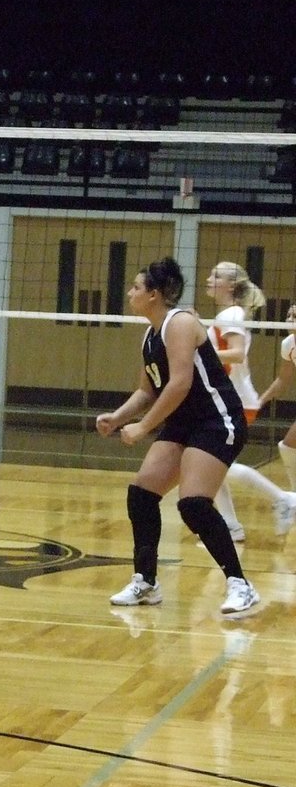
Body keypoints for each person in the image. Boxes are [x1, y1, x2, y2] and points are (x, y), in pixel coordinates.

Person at [96, 257, 260, 615]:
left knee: (194, 504)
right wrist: (118, 417)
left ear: (154, 294)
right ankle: (146, 583)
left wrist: (142, 428)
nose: (130, 293)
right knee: (141, 495)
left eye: (136, 287)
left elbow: (181, 383)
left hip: (217, 420)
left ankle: (240, 585)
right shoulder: (150, 334)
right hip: (185, 423)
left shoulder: (181, 322)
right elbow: (148, 391)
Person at [203, 261, 265, 542]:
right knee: (210, 463)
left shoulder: (231, 313)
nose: (208, 279)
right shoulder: (229, 313)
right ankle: (231, 526)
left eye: (216, 276)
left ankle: (283, 499)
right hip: (233, 397)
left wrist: (200, 351)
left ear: (230, 285)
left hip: (236, 400)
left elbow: (237, 354)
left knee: (212, 462)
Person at [225, 302, 296, 536]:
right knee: (287, 446)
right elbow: (283, 380)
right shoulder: (288, 345)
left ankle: (288, 501)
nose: (289, 319)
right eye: (288, 314)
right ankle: (291, 499)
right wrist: (260, 400)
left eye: (294, 315)